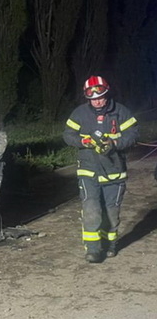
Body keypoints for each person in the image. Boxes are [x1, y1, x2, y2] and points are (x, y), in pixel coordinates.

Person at [63, 75, 139, 263]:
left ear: (107, 94)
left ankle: (110, 244)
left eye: (100, 97)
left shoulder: (120, 112)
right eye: (93, 98)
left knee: (111, 212)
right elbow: (68, 135)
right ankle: (93, 249)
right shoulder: (80, 113)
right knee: (91, 209)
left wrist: (115, 143)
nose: (97, 101)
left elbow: (133, 134)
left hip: (114, 171)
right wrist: (83, 141)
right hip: (88, 171)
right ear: (87, 97)